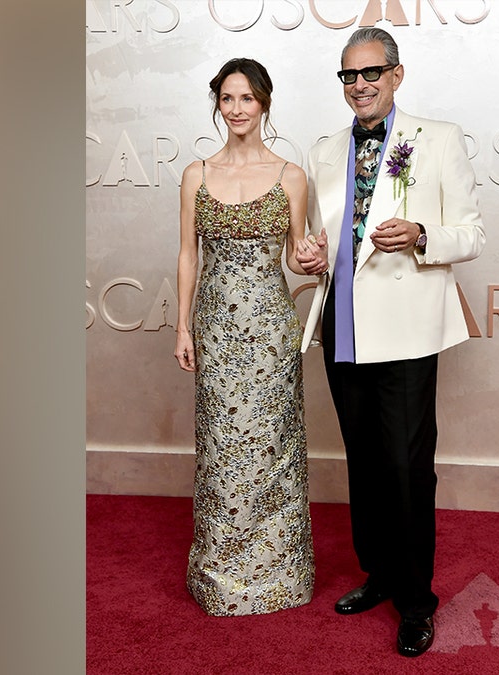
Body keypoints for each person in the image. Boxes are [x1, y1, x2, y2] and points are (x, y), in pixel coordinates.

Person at [299, 28, 486, 656]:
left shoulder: (439, 138)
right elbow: (315, 242)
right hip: (342, 325)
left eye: (371, 72)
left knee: (407, 469)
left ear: (397, 75)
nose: (359, 85)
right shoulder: (324, 151)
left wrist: (423, 234)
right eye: (348, 76)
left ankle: (416, 600)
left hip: (405, 330)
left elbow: (472, 233)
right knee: (365, 461)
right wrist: (304, 257)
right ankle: (378, 574)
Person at [173, 57, 329, 616]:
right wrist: (183, 325)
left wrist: (311, 257)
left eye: (248, 99)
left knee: (271, 451)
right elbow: (189, 254)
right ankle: (219, 576)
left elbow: (294, 254)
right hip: (216, 332)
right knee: (221, 452)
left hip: (269, 334)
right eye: (227, 99)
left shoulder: (291, 176)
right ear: (218, 104)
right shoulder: (196, 173)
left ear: (264, 103)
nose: (237, 110)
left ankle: (277, 577)